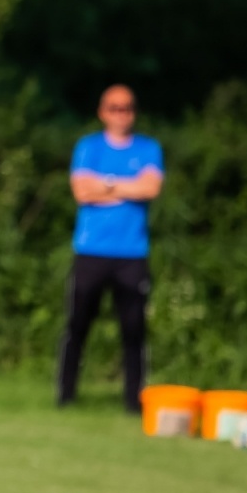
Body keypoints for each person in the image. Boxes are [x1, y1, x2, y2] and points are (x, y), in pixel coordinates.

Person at [58, 84, 163, 412]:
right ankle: (66, 396)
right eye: (115, 108)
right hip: (91, 250)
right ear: (103, 112)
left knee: (134, 330)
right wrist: (125, 186)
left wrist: (104, 184)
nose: (122, 114)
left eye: (127, 107)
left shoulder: (148, 148)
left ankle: (134, 401)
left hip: (132, 253)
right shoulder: (88, 147)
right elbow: (82, 192)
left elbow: (150, 188)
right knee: (78, 325)